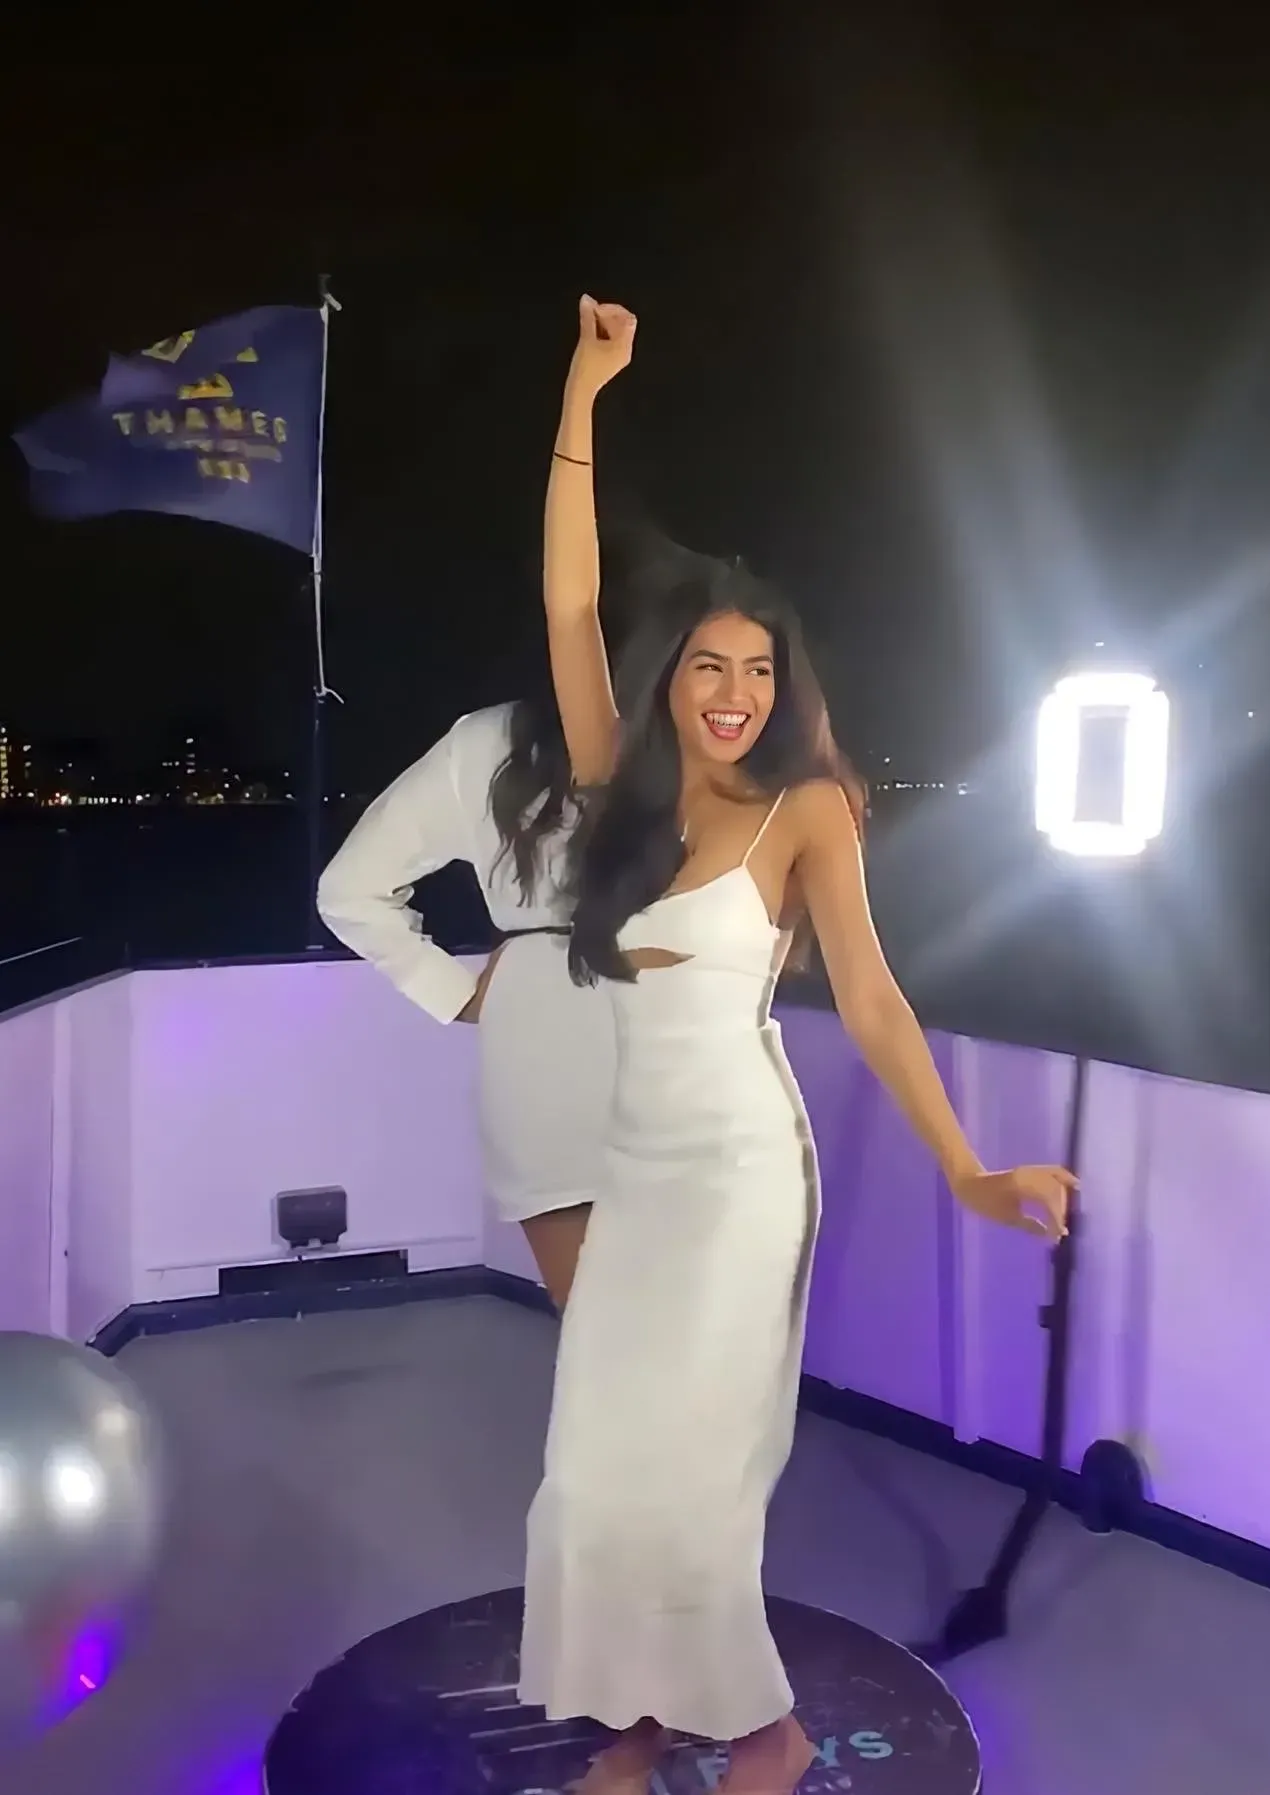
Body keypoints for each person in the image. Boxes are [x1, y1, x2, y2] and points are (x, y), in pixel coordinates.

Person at [518, 296, 1075, 1794]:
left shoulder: (807, 812)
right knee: (596, 1465)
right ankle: (635, 1720)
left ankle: (764, 1732)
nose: (734, 694)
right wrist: (584, 391)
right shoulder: (620, 791)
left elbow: (874, 999)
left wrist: (967, 1167)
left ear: (785, 687)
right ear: (672, 678)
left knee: (700, 1478)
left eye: (759, 671)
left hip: (744, 1177)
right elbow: (570, 606)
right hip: (639, 1176)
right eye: (710, 666)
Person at [315, 675, 614, 1309]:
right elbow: (348, 891)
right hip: (656, 1018)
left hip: (544, 1027)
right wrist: (459, 996)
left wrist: (454, 992)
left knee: (596, 1320)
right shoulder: (691, 726)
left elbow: (349, 889)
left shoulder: (490, 739)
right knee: (679, 1319)